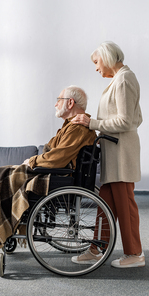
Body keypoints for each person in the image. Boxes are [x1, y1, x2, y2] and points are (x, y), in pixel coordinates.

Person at [0, 85, 96, 262]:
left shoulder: (78, 128)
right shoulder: (70, 126)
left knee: (0, 174)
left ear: (70, 103)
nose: (55, 105)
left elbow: (58, 158)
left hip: (58, 177)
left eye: (58, 100)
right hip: (54, 172)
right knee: (1, 173)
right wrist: (37, 159)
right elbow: (51, 148)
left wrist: (33, 161)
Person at [71, 41, 145, 268]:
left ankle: (135, 254)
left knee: (125, 205)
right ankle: (96, 249)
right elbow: (137, 117)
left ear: (106, 57)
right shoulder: (119, 79)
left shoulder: (124, 79)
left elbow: (126, 121)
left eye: (96, 62)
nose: (96, 68)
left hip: (122, 153)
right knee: (105, 203)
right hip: (114, 151)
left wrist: (92, 122)